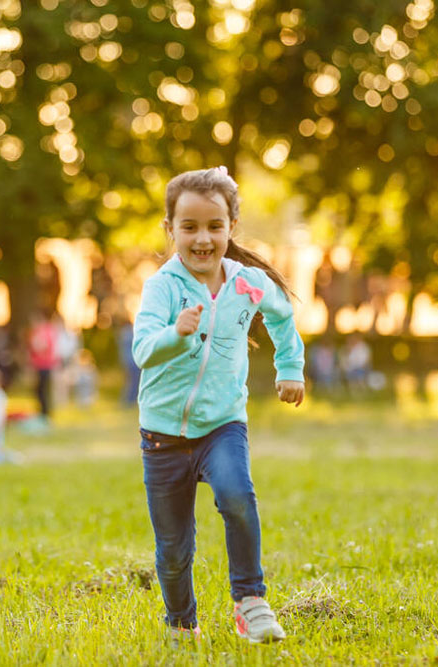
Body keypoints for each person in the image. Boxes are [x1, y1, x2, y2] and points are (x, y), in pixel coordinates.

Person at [132, 166, 305, 645]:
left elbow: (283, 316)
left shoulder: (247, 282)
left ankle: (250, 601)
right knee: (173, 549)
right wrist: (176, 333)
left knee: (237, 497)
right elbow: (143, 349)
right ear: (170, 230)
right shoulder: (162, 287)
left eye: (214, 226)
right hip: (162, 436)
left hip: (222, 424)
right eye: (189, 227)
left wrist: (290, 368)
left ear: (231, 228)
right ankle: (181, 623)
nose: (202, 238)